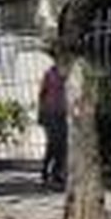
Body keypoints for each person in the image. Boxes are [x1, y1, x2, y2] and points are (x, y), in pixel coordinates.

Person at [36, 52, 68, 190]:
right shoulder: (49, 74)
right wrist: (41, 114)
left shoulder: (68, 75)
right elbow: (42, 94)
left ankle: (57, 172)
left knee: (63, 144)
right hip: (50, 113)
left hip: (63, 113)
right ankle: (46, 171)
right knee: (53, 143)